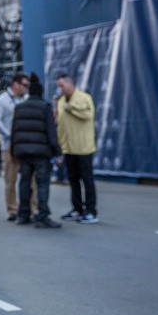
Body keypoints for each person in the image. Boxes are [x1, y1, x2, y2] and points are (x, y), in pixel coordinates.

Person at [9, 73, 62, 228]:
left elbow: (15, 131)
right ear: (41, 92)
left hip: (23, 152)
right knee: (42, 184)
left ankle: (23, 214)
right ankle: (42, 216)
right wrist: (57, 152)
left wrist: (13, 152)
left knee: (24, 183)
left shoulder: (19, 107)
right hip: (41, 153)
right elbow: (52, 133)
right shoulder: (45, 107)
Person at [0, 73, 37, 223]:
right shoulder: (2, 100)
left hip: (25, 143)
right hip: (9, 144)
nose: (26, 88)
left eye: (27, 86)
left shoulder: (27, 99)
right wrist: (10, 136)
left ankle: (32, 209)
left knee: (31, 178)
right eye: (24, 85)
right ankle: (12, 209)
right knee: (10, 179)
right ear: (15, 85)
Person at [56, 72, 98, 223]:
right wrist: (59, 147)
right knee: (73, 180)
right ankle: (77, 209)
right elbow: (60, 126)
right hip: (69, 148)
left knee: (87, 180)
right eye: (58, 86)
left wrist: (70, 107)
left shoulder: (84, 98)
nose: (60, 89)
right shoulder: (60, 102)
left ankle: (91, 211)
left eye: (62, 85)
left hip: (84, 148)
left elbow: (88, 115)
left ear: (70, 83)